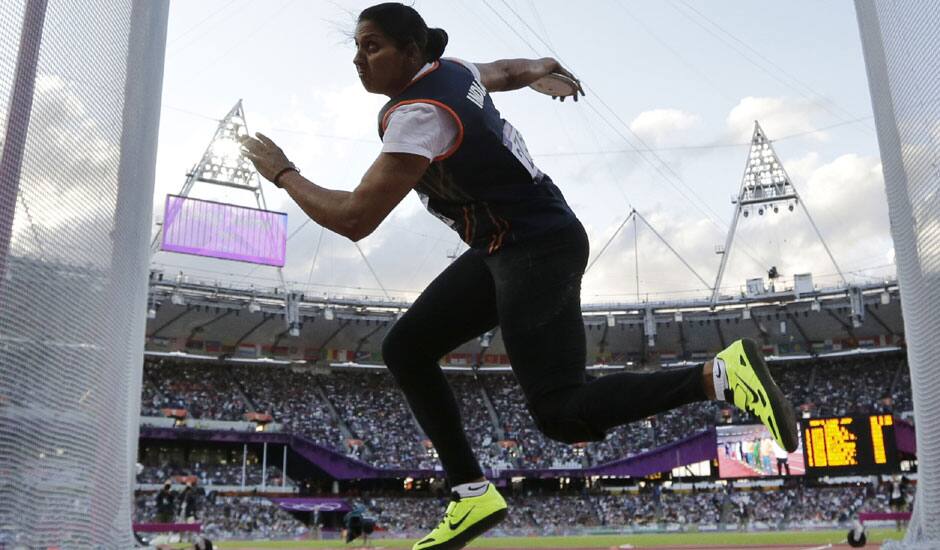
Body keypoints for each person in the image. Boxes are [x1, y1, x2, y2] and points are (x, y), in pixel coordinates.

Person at [240, 4, 799, 548]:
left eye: (372, 46)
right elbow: (503, 72)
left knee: (561, 413)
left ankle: (717, 377)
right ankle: (470, 493)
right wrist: (542, 68)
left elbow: (357, 218)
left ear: (410, 51)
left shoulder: (419, 115)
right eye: (357, 48)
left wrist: (284, 173)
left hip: (534, 247)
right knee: (406, 347)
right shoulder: (453, 73)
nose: (358, 60)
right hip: (508, 242)